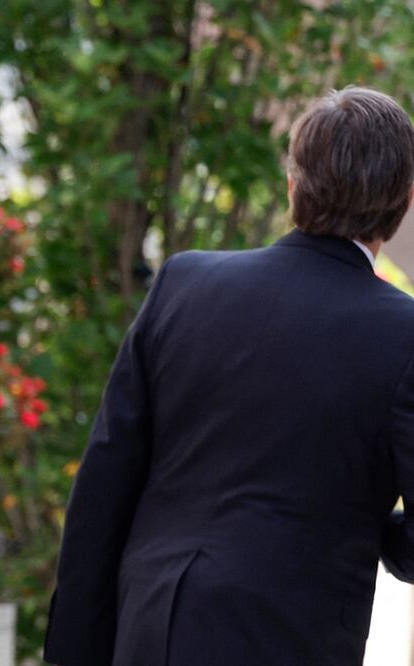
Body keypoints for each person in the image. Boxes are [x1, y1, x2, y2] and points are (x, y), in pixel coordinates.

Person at [43, 86, 414, 665]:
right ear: (403, 201)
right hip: (291, 637)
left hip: (151, 628)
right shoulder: (404, 332)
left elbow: (103, 489)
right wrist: (366, 527)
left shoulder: (184, 284)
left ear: (294, 184)